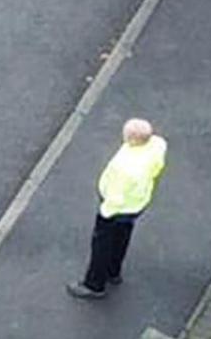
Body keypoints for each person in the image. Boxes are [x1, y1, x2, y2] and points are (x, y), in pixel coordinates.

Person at [70, 117, 168, 299]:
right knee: (122, 236)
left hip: (117, 208)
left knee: (102, 244)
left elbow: (115, 196)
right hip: (136, 203)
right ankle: (113, 271)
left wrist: (105, 213)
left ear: (130, 139)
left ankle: (94, 284)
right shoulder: (157, 145)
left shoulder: (124, 168)